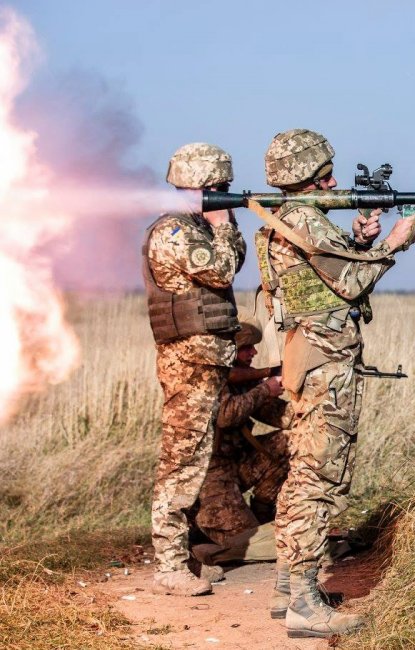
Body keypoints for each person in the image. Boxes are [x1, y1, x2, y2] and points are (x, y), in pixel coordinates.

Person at [256, 128, 415, 637]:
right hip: (325, 366)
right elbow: (351, 283)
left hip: (305, 361)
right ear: (308, 177)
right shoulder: (304, 221)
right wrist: (396, 243)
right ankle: (305, 606)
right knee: (319, 478)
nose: (334, 180)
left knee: (301, 471)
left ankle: (289, 586)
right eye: (326, 173)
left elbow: (326, 277)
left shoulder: (278, 220)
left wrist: (357, 242)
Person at [143, 143, 246, 596]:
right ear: (203, 185)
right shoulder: (173, 233)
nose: (224, 194)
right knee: (181, 461)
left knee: (197, 458)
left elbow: (233, 262)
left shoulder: (197, 227)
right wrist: (224, 224)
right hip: (187, 361)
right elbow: (222, 273)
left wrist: (226, 223)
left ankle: (182, 556)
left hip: (205, 361)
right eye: (220, 188)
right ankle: (167, 567)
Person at [188, 321, 288, 566]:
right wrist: (266, 387)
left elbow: (277, 415)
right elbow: (226, 415)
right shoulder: (208, 378)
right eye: (246, 348)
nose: (253, 353)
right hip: (209, 476)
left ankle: (264, 513)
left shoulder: (243, 378)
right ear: (229, 350)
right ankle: (199, 533)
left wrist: (306, 399)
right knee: (250, 543)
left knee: (291, 442)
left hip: (238, 464)